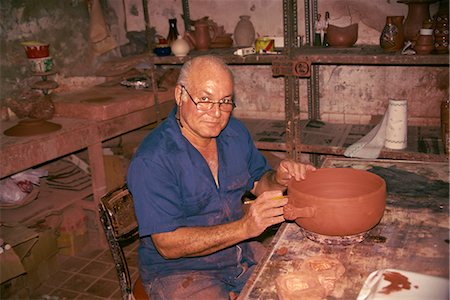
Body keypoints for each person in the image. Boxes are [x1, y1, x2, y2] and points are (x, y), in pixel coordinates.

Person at [127, 55, 315, 299]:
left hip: (236, 253)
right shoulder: (153, 159)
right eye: (204, 100)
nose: (216, 113)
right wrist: (245, 227)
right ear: (180, 95)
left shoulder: (234, 133)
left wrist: (279, 180)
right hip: (179, 272)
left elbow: (260, 184)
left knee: (304, 282)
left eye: (225, 101)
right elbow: (168, 245)